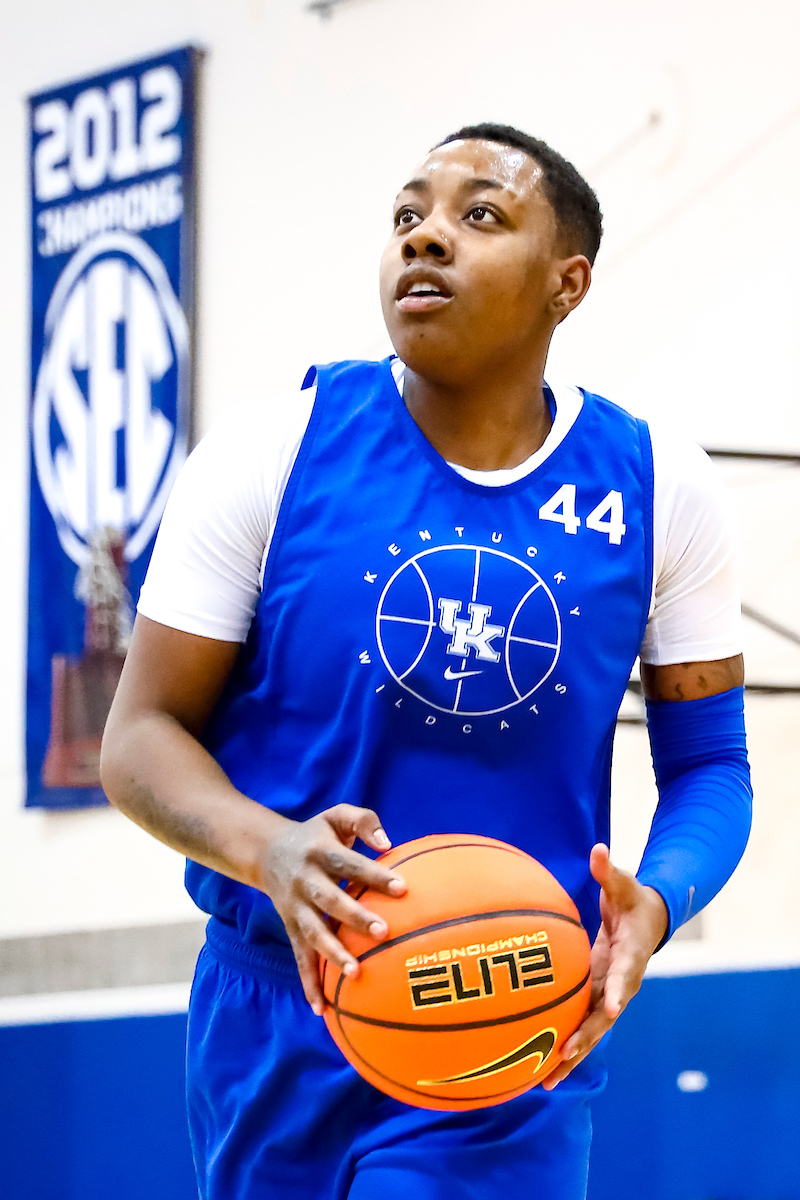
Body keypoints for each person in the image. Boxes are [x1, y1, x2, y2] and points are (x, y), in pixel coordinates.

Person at [100, 123, 752, 1199]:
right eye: (407, 217)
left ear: (565, 281)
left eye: (476, 216)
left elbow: (709, 769)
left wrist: (658, 899)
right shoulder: (273, 452)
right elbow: (137, 739)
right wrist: (270, 851)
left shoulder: (656, 490)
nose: (426, 240)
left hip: (508, 1004)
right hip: (269, 1011)